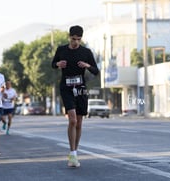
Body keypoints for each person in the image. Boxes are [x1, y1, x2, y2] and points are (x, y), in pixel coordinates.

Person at [51, 25, 99, 167]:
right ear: (69, 37)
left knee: (79, 122)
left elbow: (96, 70)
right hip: (66, 87)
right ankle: (72, 154)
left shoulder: (86, 52)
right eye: (73, 39)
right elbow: (53, 64)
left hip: (81, 89)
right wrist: (58, 64)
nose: (76, 42)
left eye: (79, 39)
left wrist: (87, 65)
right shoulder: (61, 50)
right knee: (72, 120)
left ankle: (75, 153)